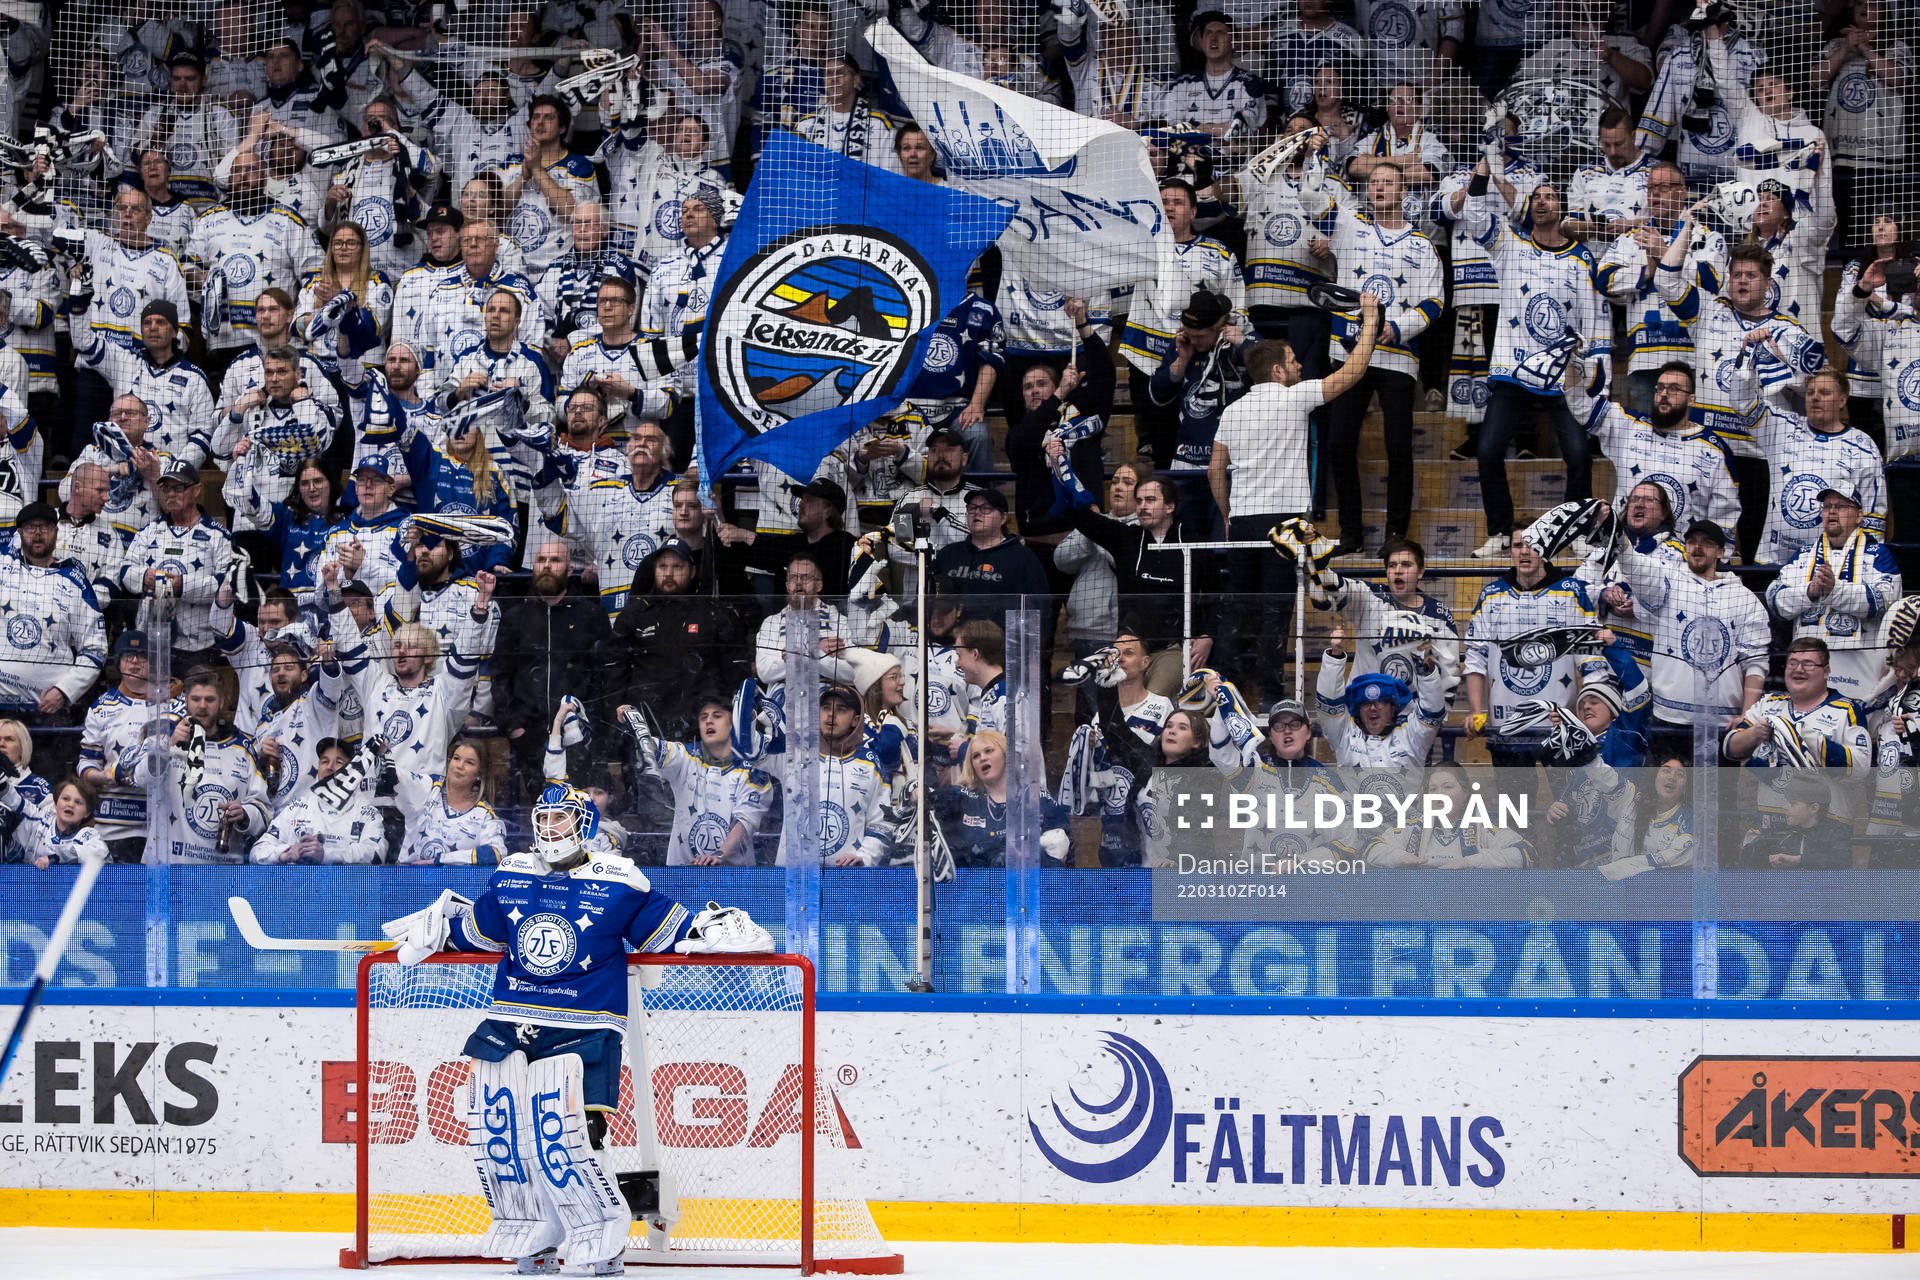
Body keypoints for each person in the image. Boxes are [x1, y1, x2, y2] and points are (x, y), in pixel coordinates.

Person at [378, 787, 770, 1277]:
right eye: (543, 818)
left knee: (568, 1134)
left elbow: (671, 931)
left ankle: (601, 1234)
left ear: (584, 824)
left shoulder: (618, 880)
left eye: (560, 818)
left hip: (584, 1025)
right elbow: (477, 931)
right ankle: (537, 1229)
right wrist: (440, 929)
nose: (549, 828)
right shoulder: (512, 874)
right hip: (512, 1019)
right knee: (499, 1128)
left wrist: (712, 929)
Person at [1211, 305, 1381, 694]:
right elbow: (1353, 372)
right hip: (1285, 524)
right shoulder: (1295, 397)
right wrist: (1371, 322)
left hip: (1242, 521)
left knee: (1237, 608)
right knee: (1275, 611)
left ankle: (1222, 690)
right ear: (1277, 371)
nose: (1300, 365)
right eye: (1292, 360)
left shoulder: (1232, 410)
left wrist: (1227, 515)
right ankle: (1270, 697)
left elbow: (1214, 471)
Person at [1304, 163, 1442, 553]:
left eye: (1388, 183)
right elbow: (1310, 199)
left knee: (1398, 447)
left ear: (1403, 193)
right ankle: (1351, 533)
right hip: (1349, 354)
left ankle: (1396, 534)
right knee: (1339, 443)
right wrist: (1314, 157)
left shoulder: (1422, 245)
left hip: (1398, 358)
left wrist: (1397, 328)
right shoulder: (1349, 225)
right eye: (1374, 182)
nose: (1379, 187)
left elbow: (1434, 302)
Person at [1614, 518, 1769, 762]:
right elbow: (1635, 567)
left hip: (1723, 724)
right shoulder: (1667, 583)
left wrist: (1747, 717)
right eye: (1692, 541)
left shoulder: (1744, 598)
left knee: (1720, 788)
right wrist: (1618, 537)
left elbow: (1755, 663)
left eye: (1706, 543)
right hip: (1668, 720)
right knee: (1665, 787)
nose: (1697, 547)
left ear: (1721, 552)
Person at [1059, 473, 1214, 695]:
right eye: (1139, 501)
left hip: (1173, 648)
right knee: (1118, 706)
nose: (1142, 507)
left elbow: (1214, 593)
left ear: (1170, 506)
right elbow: (1081, 517)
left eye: (1150, 500)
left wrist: (1208, 635)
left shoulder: (1193, 542)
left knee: (1153, 702)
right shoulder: (1127, 538)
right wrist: (1060, 468)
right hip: (1129, 650)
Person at [1595, 162, 1729, 417]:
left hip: (1694, 359)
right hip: (1646, 360)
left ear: (1682, 192)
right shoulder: (1630, 239)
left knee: (1694, 434)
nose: (1655, 193)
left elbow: (1712, 282)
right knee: (1648, 437)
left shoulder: (1707, 237)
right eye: (1651, 188)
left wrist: (1665, 254)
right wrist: (1646, 271)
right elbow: (1603, 279)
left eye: (1664, 187)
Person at [1463, 518, 1600, 763]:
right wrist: (1476, 710)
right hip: (1506, 727)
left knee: (1569, 790)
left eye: (1533, 545)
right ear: (1511, 551)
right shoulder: (1491, 595)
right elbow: (1475, 658)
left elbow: (1591, 659)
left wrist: (1584, 712)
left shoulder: (1571, 592)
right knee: (1515, 791)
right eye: (1518, 545)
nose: (1525, 552)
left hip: (1560, 726)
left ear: (1546, 550)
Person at [1564, 358, 1740, 537]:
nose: (1664, 394)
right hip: (1623, 547)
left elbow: (1724, 518)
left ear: (1691, 400)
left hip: (1681, 552)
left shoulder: (1714, 450)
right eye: (1660, 388)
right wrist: (1569, 360)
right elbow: (1581, 405)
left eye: (1674, 389)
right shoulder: (1629, 426)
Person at [734, 676, 893, 868]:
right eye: (825, 707)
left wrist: (864, 857)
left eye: (841, 709)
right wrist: (747, 713)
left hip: (847, 877)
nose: (831, 715)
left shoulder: (870, 764)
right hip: (793, 876)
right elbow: (748, 749)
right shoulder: (794, 752)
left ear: (856, 720)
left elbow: (882, 822)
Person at [496, 539, 614, 796]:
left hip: (580, 739)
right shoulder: (515, 618)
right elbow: (501, 675)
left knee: (580, 809)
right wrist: (514, 728)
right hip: (530, 739)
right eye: (541, 560)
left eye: (555, 560)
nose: (547, 566)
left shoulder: (591, 615)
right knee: (538, 812)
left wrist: (592, 728)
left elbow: (605, 678)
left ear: (569, 570)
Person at [1766, 484, 1901, 700]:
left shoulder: (1878, 555)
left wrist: (1834, 590)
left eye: (1841, 506)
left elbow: (1885, 601)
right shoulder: (1802, 556)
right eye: (1827, 506)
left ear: (1859, 516)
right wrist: (1810, 592)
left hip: (1859, 667)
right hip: (1808, 665)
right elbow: (1775, 599)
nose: (1832, 511)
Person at [1724, 637, 1873, 826]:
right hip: (1770, 827)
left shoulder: (1847, 710)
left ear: (1826, 671)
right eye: (1792, 663)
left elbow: (1860, 768)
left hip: (1824, 831)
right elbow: (1730, 748)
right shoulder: (1768, 704)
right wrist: (1755, 734)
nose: (1798, 669)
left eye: (1808, 664)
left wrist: (1805, 739)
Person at [134, 667, 270, 864]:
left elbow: (264, 808)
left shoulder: (244, 746)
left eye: (210, 699)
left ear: (221, 702)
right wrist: (169, 746)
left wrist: (245, 814)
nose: (202, 706)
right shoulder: (164, 738)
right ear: (186, 701)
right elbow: (139, 779)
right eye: (196, 699)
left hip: (222, 873)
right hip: (168, 866)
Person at [618, 695, 774, 866]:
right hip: (683, 873)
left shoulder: (754, 770)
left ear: (733, 724)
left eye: (717, 716)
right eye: (703, 717)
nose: (708, 721)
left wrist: (719, 855)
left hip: (734, 876)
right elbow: (652, 749)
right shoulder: (686, 756)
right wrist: (636, 725)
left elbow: (745, 823)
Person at [118, 456, 242, 672]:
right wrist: (146, 576)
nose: (171, 494)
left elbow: (227, 585)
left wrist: (182, 585)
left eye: (178, 488)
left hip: (199, 645)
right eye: (166, 489)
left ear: (197, 490)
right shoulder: (149, 531)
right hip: (153, 639)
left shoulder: (218, 536)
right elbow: (125, 571)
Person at [0, 502, 107, 723]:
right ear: (19, 533)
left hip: (50, 711)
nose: (38, 533)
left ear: (56, 532)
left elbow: (95, 648)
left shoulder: (76, 581)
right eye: (30, 527)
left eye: (45, 527)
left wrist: (64, 691)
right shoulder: (3, 566)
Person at [1314, 623, 1447, 770]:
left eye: (1381, 702)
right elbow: (1328, 704)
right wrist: (1335, 656)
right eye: (1365, 703)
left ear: (1393, 709)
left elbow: (1432, 712)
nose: (1373, 708)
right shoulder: (1345, 737)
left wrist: (1426, 670)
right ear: (1358, 710)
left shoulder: (1412, 737)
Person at [933, 728, 1071, 867]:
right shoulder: (961, 798)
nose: (982, 758)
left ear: (1006, 756)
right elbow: (927, 802)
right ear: (972, 766)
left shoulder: (1034, 797)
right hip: (973, 880)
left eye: (989, 751)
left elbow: (1060, 847)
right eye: (976, 756)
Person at [249, 737, 388, 864]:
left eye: (339, 762)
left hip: (343, 884)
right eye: (324, 761)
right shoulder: (297, 808)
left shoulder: (366, 812)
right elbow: (257, 851)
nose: (329, 767)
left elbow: (377, 854)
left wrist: (326, 855)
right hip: (299, 883)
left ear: (352, 771)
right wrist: (285, 852)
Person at [931, 487, 1051, 620]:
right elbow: (930, 600)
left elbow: (1039, 608)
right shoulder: (948, 554)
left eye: (986, 508)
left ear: (1003, 518)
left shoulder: (1023, 558)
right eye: (972, 508)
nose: (977, 512)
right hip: (954, 632)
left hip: (1000, 633)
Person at [394, 735, 507, 866]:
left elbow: (497, 853)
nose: (460, 766)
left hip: (454, 879)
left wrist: (441, 859)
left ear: (479, 774)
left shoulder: (484, 815)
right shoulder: (429, 788)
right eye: (456, 758)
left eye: (469, 762)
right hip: (407, 876)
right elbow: (396, 776)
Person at [1593, 758, 1695, 878]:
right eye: (1666, 771)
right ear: (1655, 776)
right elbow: (1605, 776)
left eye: (1680, 774)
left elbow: (1673, 858)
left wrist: (1607, 873)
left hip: (1653, 889)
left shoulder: (1690, 822)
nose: (1672, 777)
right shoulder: (1632, 797)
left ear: (1686, 787)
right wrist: (1589, 757)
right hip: (1614, 886)